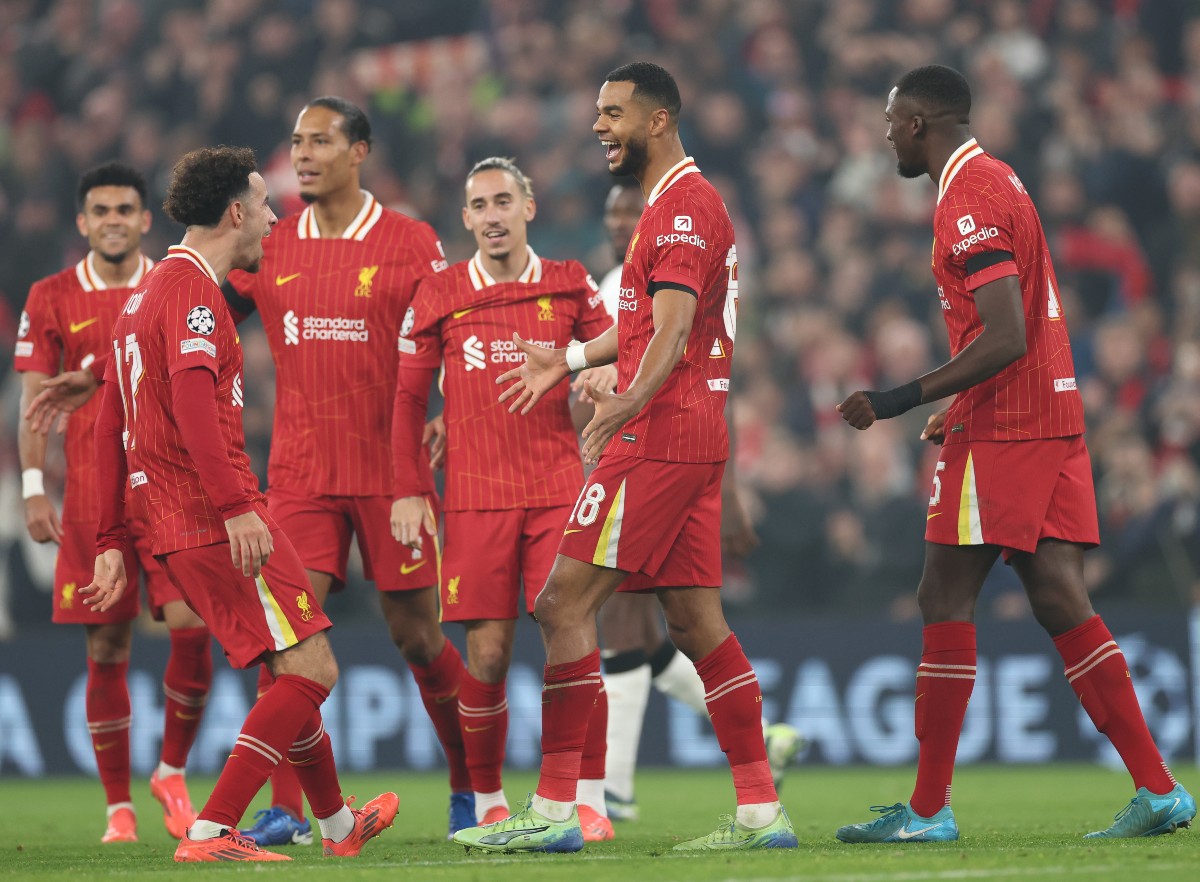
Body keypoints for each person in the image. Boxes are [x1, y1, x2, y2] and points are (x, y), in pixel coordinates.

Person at [834, 64, 1195, 842]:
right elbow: (1014, 330)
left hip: (1010, 429)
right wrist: (959, 402)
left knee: (942, 597)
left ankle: (929, 810)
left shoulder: (968, 198)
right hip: (1048, 415)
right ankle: (1160, 790)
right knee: (1061, 596)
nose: (885, 132)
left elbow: (1005, 334)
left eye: (893, 119)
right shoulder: (1000, 178)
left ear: (922, 122)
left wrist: (903, 399)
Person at [452, 62, 797, 853]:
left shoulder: (680, 209)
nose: (600, 126)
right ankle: (758, 811)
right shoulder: (672, 205)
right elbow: (645, 326)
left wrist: (625, 406)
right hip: (691, 438)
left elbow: (670, 336)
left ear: (659, 119)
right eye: (598, 113)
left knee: (560, 605)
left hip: (660, 438)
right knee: (697, 624)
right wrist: (569, 361)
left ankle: (554, 811)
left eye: (613, 113)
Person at [83, 145, 397, 862]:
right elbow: (194, 401)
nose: (272, 214)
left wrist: (109, 536)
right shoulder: (194, 294)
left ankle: (340, 828)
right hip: (212, 516)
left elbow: (110, 425)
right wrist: (235, 509)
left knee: (294, 667)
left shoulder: (143, 297)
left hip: (169, 522)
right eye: (262, 202)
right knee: (315, 670)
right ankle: (210, 826)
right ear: (234, 212)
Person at [221, 96, 471, 843]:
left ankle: (470, 785)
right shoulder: (273, 242)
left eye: (320, 141)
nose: (301, 154)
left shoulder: (409, 241)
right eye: (296, 141)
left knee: (419, 640)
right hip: (298, 475)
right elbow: (198, 311)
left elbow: (457, 339)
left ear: (359, 151)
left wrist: (451, 417)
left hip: (391, 478)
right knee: (289, 643)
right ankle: (283, 812)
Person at [392, 157, 614, 840]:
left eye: (502, 202)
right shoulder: (439, 292)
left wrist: (602, 377)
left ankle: (590, 800)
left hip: (555, 491)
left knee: (571, 637)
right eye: (479, 205)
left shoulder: (570, 283)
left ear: (529, 207)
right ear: (466, 219)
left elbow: (620, 350)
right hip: (477, 496)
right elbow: (406, 397)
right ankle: (488, 799)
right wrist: (409, 488)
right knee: (486, 656)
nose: (491, 215)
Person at [14, 161, 213, 844]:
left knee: (191, 626)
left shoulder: (175, 284)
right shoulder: (50, 295)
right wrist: (34, 488)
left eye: (125, 210)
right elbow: (35, 399)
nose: (113, 222)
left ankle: (173, 770)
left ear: (143, 218)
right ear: (82, 222)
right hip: (93, 497)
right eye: (101, 211)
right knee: (107, 645)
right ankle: (118, 811)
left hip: (168, 489)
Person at [587, 182, 798, 822]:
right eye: (612, 213)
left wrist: (726, 492)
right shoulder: (611, 285)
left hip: (650, 459)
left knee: (613, 621)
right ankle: (762, 748)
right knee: (672, 627)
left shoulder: (664, 270)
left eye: (631, 211)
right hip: (630, 456)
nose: (622, 221)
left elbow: (697, 378)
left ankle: (610, 788)